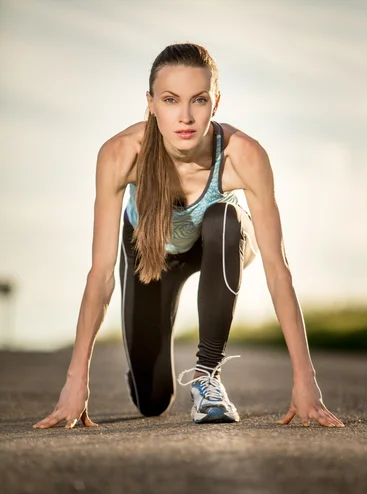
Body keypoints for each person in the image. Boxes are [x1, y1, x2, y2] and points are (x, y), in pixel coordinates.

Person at [33, 42, 344, 430]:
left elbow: (278, 271)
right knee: (152, 401)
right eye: (170, 99)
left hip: (216, 245)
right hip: (150, 256)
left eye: (198, 100)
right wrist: (75, 381)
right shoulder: (120, 154)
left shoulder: (243, 155)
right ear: (150, 103)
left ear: (216, 103)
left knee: (224, 218)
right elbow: (100, 274)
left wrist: (306, 381)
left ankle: (206, 377)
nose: (184, 116)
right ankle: (147, 357)